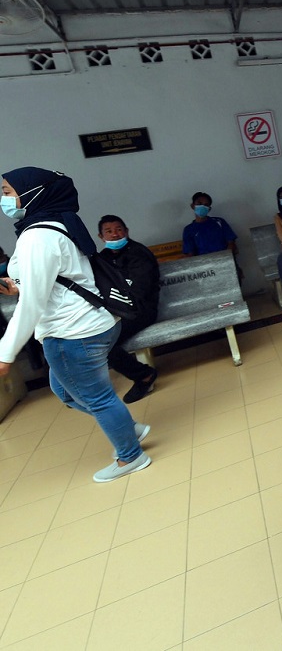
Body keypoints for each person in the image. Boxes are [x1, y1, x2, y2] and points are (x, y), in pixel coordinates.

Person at [0, 168, 152, 482]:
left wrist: (5, 353)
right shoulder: (56, 223)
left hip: (73, 332)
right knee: (64, 390)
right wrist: (18, 284)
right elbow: (60, 277)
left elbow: (32, 305)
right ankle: (126, 426)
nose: (4, 199)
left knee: (97, 398)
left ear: (33, 193)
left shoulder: (36, 237)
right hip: (94, 322)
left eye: (6, 191)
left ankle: (131, 456)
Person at [97, 215, 160, 403]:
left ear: (126, 231)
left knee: (102, 344)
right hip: (116, 313)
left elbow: (139, 291)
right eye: (109, 231)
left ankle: (144, 376)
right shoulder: (102, 259)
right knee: (89, 337)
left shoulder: (139, 253)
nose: (115, 235)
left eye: (118, 229)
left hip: (141, 311)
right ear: (101, 236)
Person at [181, 191, 238, 257]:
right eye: (199, 203)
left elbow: (231, 243)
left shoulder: (219, 222)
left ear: (209, 209)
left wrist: (224, 259)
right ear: (192, 206)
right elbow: (190, 254)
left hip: (226, 261)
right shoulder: (188, 230)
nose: (202, 206)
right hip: (203, 265)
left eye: (206, 205)